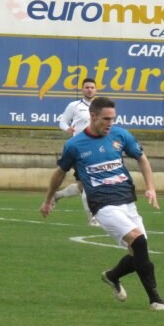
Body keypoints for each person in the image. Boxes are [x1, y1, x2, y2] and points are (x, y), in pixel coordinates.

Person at [39, 97, 164, 311]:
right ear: (93, 117)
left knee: (137, 252)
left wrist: (151, 188)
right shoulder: (75, 145)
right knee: (139, 242)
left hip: (128, 202)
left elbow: (142, 158)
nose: (110, 123)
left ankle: (113, 275)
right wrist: (48, 200)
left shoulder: (120, 135)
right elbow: (59, 173)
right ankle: (155, 300)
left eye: (113, 118)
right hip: (103, 205)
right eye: (106, 119)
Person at [54, 77, 98, 226]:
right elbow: (62, 121)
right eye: (87, 87)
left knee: (81, 186)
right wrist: (67, 128)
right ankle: (92, 218)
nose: (89, 89)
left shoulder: (101, 106)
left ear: (96, 89)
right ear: (82, 89)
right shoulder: (74, 105)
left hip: (96, 149)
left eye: (92, 87)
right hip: (79, 149)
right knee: (88, 184)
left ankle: (57, 195)